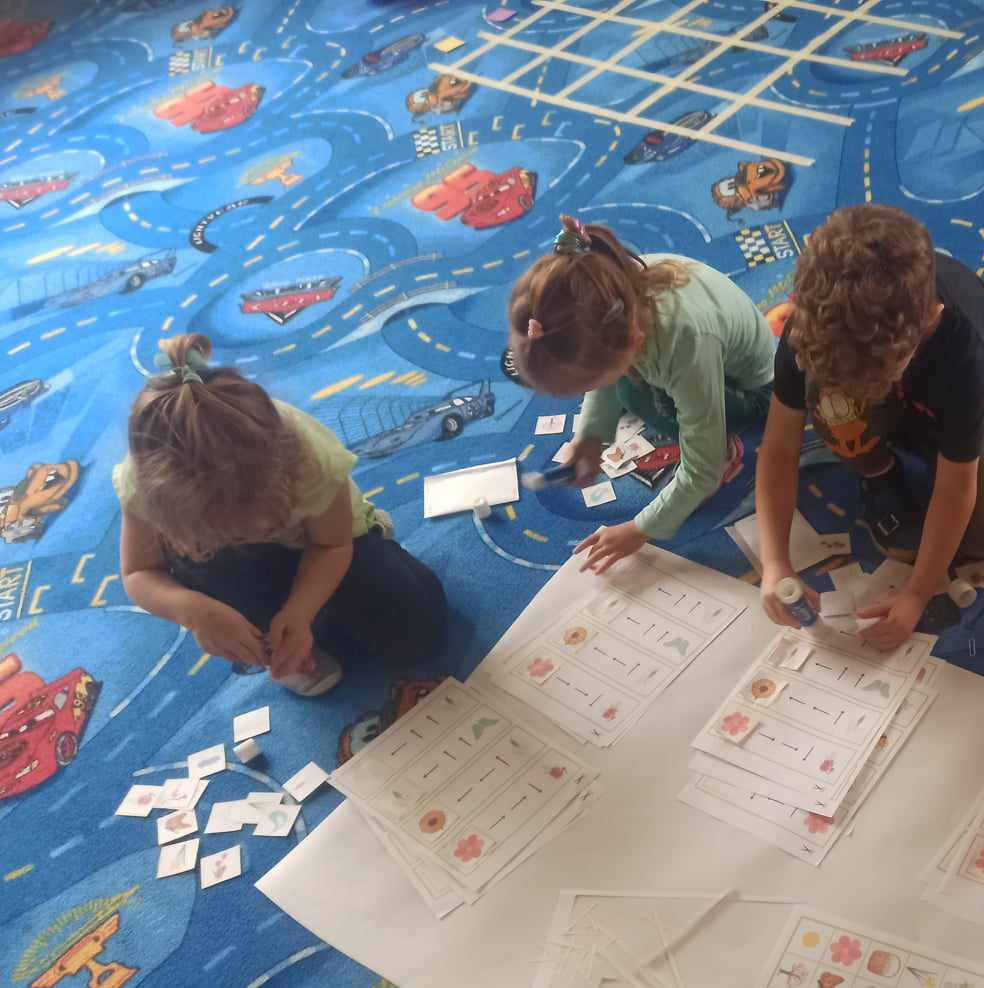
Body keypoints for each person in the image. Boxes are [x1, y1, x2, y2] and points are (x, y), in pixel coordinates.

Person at [754, 204, 984, 650]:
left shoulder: (960, 345)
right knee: (834, 402)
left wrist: (918, 593)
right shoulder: (812, 327)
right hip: (890, 377)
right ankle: (880, 473)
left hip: (940, 396)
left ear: (926, 324)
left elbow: (956, 485)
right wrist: (774, 563)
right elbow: (779, 448)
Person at [117, 334, 446, 694]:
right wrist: (194, 611)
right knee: (213, 582)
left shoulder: (308, 457)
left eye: (248, 526)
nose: (240, 536)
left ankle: (302, 623)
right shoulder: (145, 481)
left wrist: (300, 611)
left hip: (319, 543)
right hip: (228, 569)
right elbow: (139, 572)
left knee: (421, 628)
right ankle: (275, 644)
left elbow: (332, 545)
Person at [508, 215, 776, 573]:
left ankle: (723, 443)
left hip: (759, 391)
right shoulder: (607, 293)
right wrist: (590, 437)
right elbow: (608, 370)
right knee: (626, 387)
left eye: (590, 384)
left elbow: (703, 470)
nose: (590, 391)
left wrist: (640, 529)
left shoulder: (684, 342)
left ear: (632, 343)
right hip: (682, 356)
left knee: (640, 399)